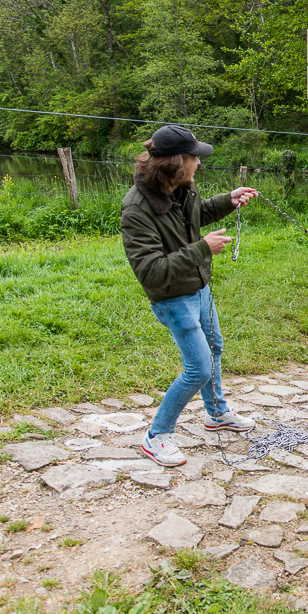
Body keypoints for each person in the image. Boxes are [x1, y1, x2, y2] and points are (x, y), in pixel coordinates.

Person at [121, 124, 258, 467]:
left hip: (199, 289)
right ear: (177, 162)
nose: (200, 163)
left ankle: (217, 414)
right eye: (195, 157)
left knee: (215, 348)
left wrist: (229, 200)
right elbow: (150, 272)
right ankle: (157, 437)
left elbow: (196, 217)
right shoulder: (137, 208)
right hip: (172, 297)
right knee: (197, 368)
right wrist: (203, 249)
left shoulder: (183, 187)